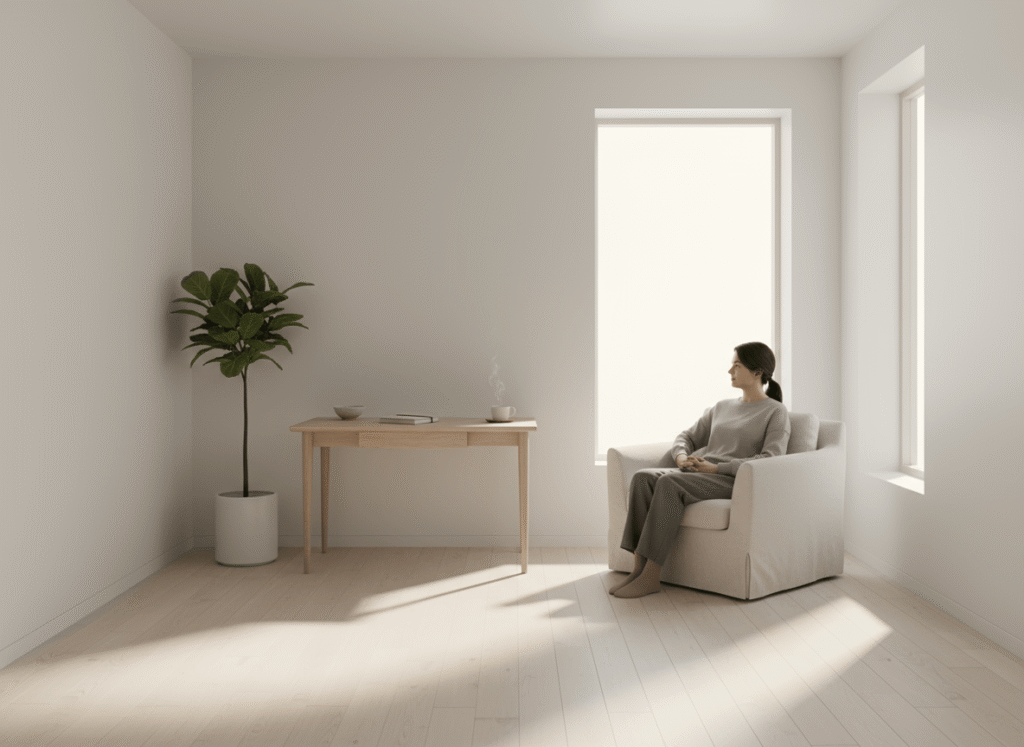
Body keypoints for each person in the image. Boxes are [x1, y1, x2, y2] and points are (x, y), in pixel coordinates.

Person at [610, 341, 791, 599]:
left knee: (669, 485)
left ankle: (651, 575)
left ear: (757, 373)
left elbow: (771, 458)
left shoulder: (776, 412)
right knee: (642, 478)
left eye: (737, 366)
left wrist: (717, 468)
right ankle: (637, 570)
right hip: (700, 472)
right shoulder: (721, 407)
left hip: (731, 479)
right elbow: (687, 436)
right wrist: (682, 456)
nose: (730, 372)